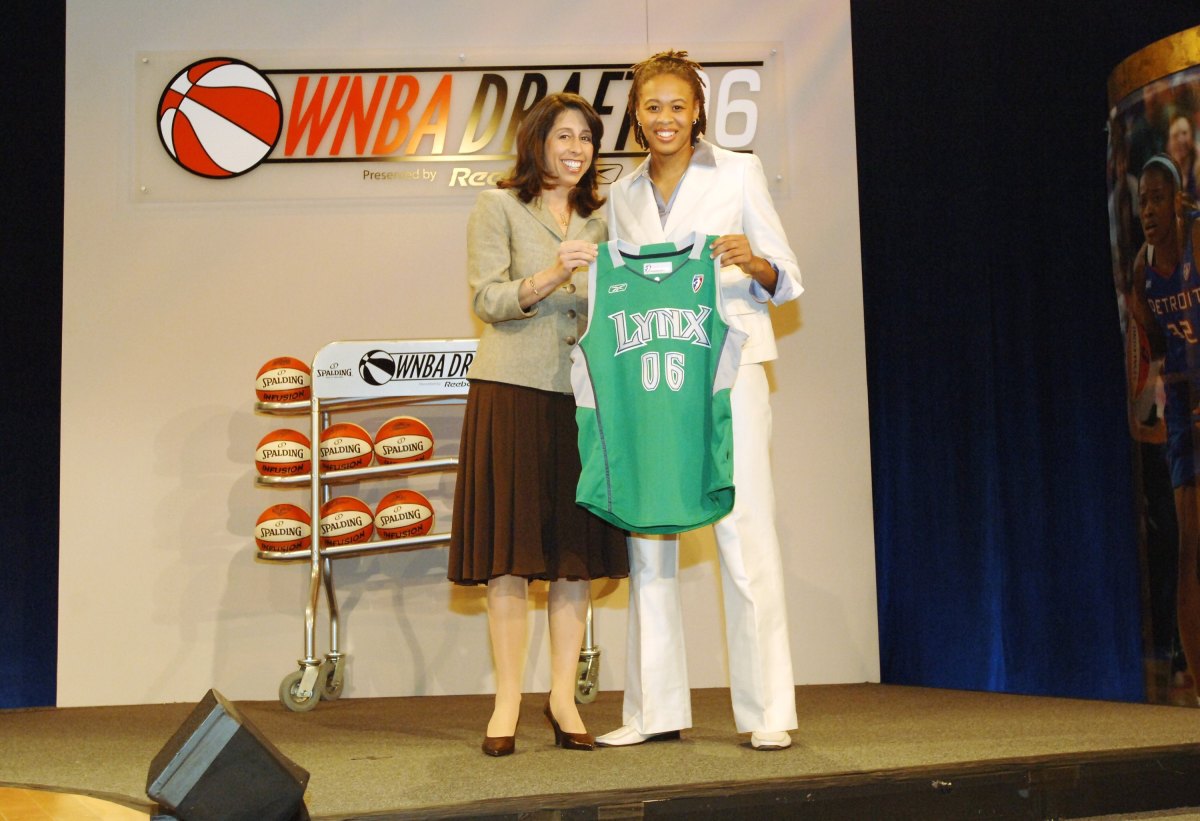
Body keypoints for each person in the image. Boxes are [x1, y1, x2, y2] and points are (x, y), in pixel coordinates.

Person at [597, 50, 803, 750]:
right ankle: (652, 710)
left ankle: (768, 710)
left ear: (698, 112)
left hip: (729, 365)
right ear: (636, 114)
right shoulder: (621, 194)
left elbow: (789, 277)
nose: (664, 119)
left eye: (676, 106)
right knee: (649, 534)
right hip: (651, 376)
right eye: (651, 106)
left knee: (744, 531)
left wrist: (756, 262)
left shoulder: (738, 171)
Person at [447, 92, 629, 756]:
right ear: (537, 142)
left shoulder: (606, 221)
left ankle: (560, 698)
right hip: (512, 393)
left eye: (586, 137)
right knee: (510, 559)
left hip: (582, 396)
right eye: (563, 136)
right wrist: (555, 274)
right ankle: (504, 704)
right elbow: (488, 298)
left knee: (572, 560)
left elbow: (616, 308)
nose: (576, 148)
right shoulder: (498, 206)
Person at [1124, 153, 1200, 706]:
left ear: (1177, 200)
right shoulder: (1140, 271)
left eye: (1157, 197)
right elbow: (1150, 346)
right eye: (1141, 201)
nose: (1148, 209)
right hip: (1183, 413)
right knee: (1188, 548)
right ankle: (1196, 684)